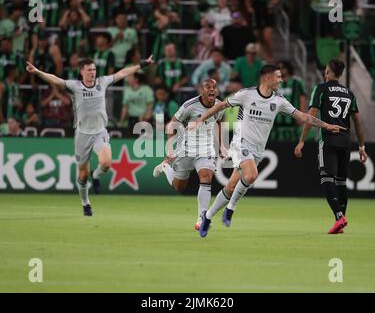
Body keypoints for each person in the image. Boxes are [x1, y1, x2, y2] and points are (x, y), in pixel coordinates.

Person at [191, 64, 345, 238]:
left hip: (257, 149)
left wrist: (326, 125)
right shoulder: (246, 94)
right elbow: (221, 106)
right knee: (251, 176)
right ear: (267, 78)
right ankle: (230, 209)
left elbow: (303, 116)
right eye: (278, 76)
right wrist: (202, 117)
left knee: (231, 185)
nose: (281, 80)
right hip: (241, 143)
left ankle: (208, 217)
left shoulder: (278, 100)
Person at [26, 55, 154, 216]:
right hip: (82, 135)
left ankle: (97, 175)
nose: (92, 73)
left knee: (106, 163)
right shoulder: (75, 86)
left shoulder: (102, 82)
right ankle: (85, 203)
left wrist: (142, 64)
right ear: (82, 72)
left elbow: (122, 73)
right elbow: (55, 80)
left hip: (100, 131)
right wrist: (37, 71)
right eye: (89, 70)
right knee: (82, 175)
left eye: (94, 69)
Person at [294, 59, 368, 234]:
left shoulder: (321, 89)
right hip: (345, 141)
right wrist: (362, 146)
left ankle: (339, 217)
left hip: (328, 140)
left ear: (327, 72)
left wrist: (302, 140)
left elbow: (310, 116)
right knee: (341, 182)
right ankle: (340, 221)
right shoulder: (349, 93)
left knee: (327, 178)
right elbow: (357, 122)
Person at [153, 79, 224, 230]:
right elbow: (172, 124)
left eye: (214, 87)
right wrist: (170, 149)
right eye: (208, 87)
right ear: (201, 91)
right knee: (179, 186)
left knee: (206, 177)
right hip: (186, 148)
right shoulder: (189, 106)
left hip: (206, 149)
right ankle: (166, 167)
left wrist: (221, 146)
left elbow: (218, 122)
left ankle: (201, 218)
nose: (212, 90)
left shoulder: (220, 106)